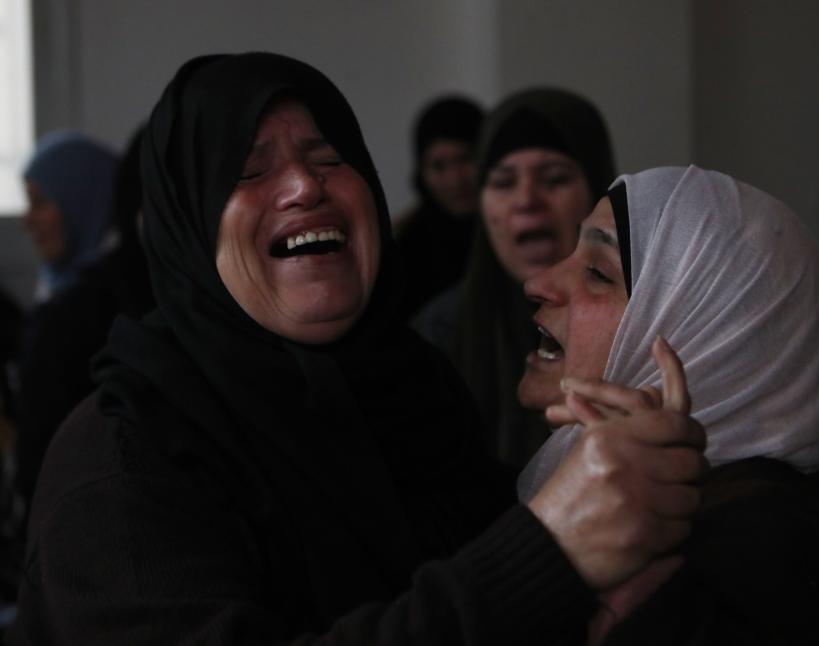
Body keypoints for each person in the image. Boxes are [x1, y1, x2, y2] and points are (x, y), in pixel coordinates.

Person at [10, 52, 706, 644]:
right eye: (248, 171)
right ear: (188, 229)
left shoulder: (415, 393)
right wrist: (547, 553)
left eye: (329, 158)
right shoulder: (125, 460)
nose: (305, 186)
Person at [516, 166, 819, 644]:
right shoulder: (629, 506)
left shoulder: (760, 566)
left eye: (598, 273)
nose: (538, 282)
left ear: (708, 341)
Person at [415, 87, 616, 468]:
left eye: (554, 179)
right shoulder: (437, 336)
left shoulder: (645, 322)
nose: (526, 200)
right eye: (504, 183)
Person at [14, 126, 153, 510]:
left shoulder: (95, 310)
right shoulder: (58, 296)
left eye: (41, 203)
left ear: (82, 198)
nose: (28, 221)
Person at [394, 96, 483, 319]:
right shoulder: (405, 248)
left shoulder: (519, 232)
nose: (455, 180)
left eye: (465, 159)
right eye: (438, 166)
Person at [21, 132, 118, 303]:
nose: (27, 221)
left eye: (39, 202)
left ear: (82, 202)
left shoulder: (111, 300)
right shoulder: (54, 283)